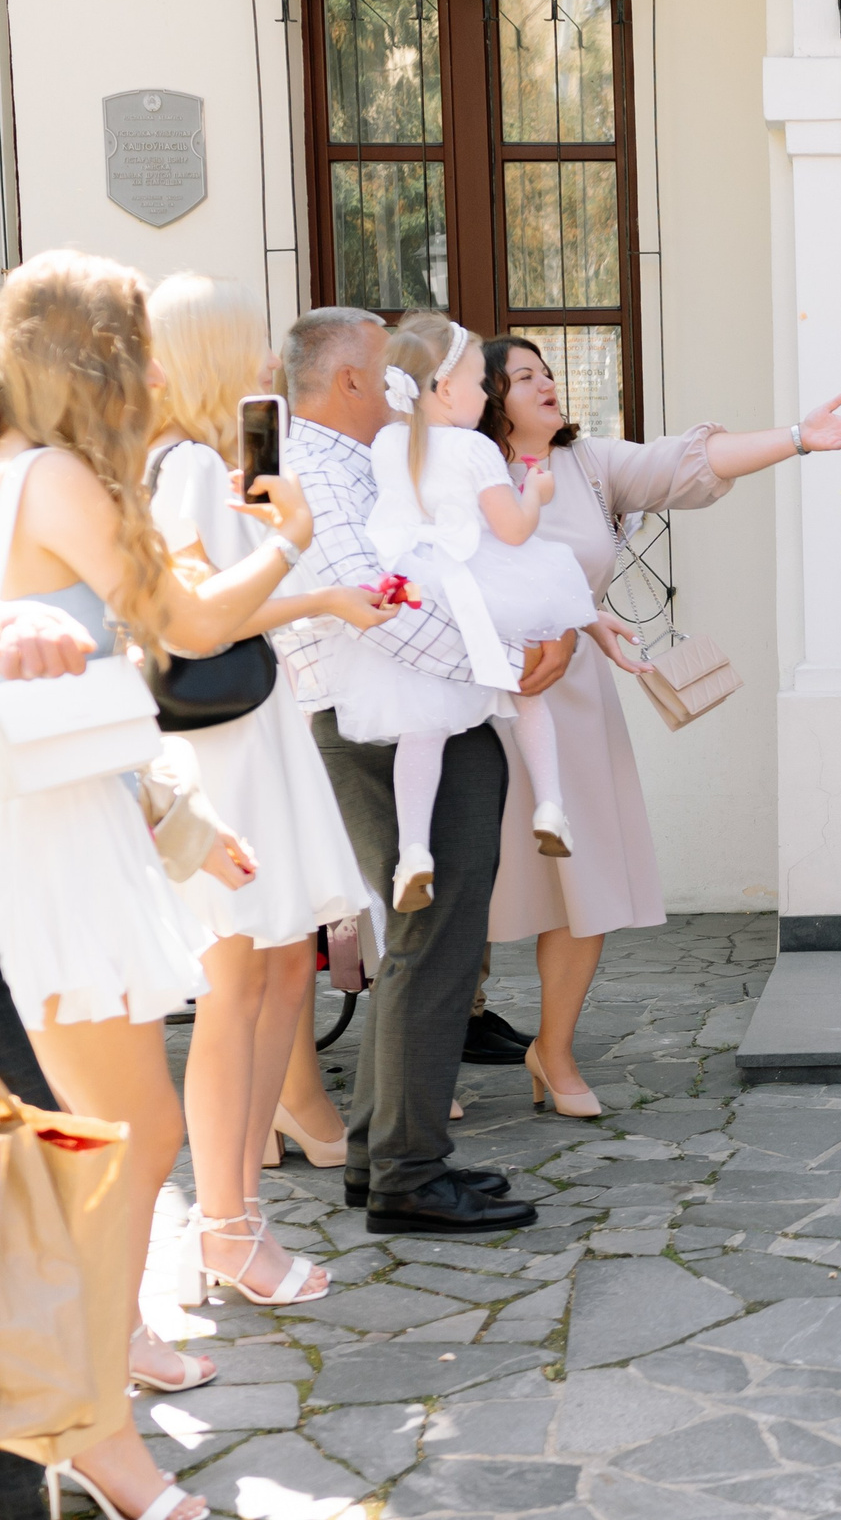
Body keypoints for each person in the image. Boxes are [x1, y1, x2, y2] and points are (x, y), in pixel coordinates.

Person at [1, 248, 331, 1520]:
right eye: (134, 345)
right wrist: (287, 547)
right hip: (53, 844)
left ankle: (101, 1377)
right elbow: (191, 626)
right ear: (100, 359)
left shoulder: (32, 473)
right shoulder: (59, 477)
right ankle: (91, 1424)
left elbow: (101, 669)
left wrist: (176, 818)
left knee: (101, 1140)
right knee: (117, 1144)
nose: (151, 370)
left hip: (73, 822)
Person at [474, 336, 841, 1113]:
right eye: (524, 376)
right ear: (488, 398)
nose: (546, 383)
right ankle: (425, 1062)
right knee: (472, 886)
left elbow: (689, 463)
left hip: (577, 697)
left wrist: (797, 437)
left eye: (547, 370)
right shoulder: (461, 472)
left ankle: (552, 1052)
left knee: (580, 884)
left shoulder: (588, 464)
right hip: (480, 694)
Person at [279, 306, 566, 1236]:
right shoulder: (318, 465)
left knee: (429, 937)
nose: (402, 381)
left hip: (428, 709)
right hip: (387, 722)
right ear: (355, 381)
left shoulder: (370, 456)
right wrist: (498, 660)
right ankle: (406, 1170)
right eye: (387, 368)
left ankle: (381, 1153)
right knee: (431, 936)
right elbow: (385, 606)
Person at [143, 272, 389, 1309]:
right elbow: (200, 615)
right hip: (231, 745)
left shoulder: (198, 461)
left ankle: (232, 1216)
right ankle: (227, 1222)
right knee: (238, 986)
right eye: (249, 344)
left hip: (253, 736)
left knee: (278, 968)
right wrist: (321, 584)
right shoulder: (193, 463)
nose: (264, 367)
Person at [338, 317, 595, 918]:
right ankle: (550, 805)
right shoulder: (474, 448)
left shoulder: (386, 444)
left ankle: (414, 852)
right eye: (481, 383)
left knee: (421, 727)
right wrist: (537, 492)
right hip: (480, 584)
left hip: (419, 587)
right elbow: (512, 530)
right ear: (445, 388)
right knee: (527, 692)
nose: (486, 397)